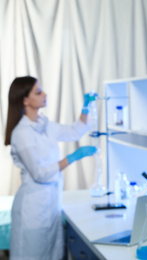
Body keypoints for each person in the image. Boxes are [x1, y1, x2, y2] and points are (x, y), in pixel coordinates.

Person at [4, 76, 97, 260]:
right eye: (38, 92)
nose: (44, 94)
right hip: (32, 208)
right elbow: (40, 173)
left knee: (51, 254)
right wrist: (72, 157)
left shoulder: (44, 125)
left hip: (51, 204)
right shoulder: (21, 133)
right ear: (25, 100)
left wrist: (85, 107)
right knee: (32, 255)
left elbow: (74, 131)